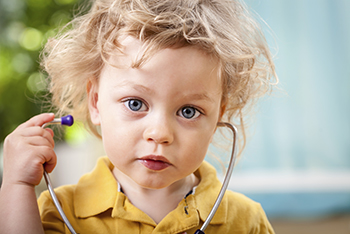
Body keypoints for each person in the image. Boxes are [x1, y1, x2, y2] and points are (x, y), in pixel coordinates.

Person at [0, 0, 278, 233]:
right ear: (96, 101)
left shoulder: (247, 222)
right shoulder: (57, 213)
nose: (160, 133)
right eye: (135, 103)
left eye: (188, 111)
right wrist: (17, 186)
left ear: (219, 113)